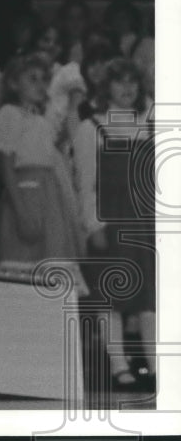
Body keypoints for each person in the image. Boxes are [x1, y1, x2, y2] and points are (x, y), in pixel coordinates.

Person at [72, 58, 156, 391]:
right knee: (113, 296)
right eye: (119, 82)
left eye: (132, 81)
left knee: (150, 298)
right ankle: (119, 366)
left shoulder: (149, 124)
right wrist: (94, 226)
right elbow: (86, 184)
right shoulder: (91, 127)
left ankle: (155, 364)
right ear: (106, 88)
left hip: (146, 220)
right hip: (113, 220)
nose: (127, 88)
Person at [0, 53, 86, 282]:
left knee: (51, 265)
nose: (40, 85)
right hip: (26, 194)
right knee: (25, 263)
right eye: (31, 79)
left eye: (43, 79)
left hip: (49, 197)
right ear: (14, 84)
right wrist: (21, 212)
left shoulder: (41, 120)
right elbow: (6, 165)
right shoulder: (9, 114)